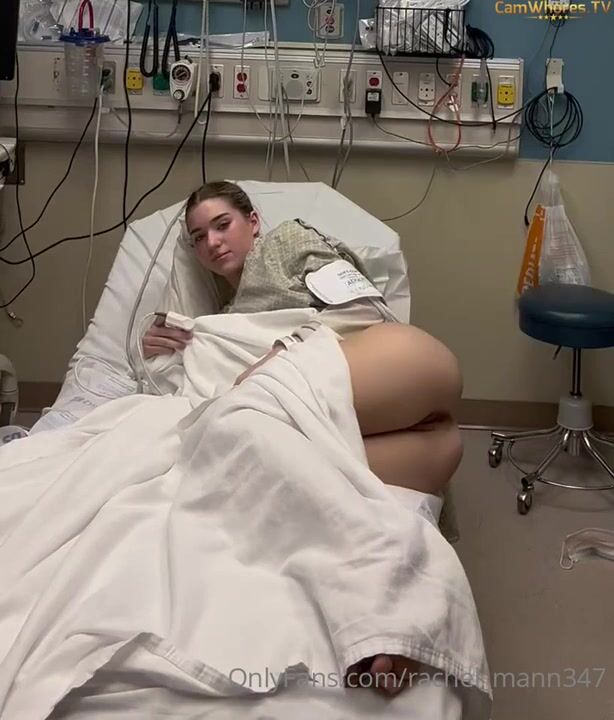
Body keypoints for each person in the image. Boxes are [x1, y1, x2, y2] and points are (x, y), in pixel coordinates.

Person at [143, 182, 463, 694]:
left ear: (253, 221)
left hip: (368, 365)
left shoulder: (286, 243)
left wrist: (279, 357)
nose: (212, 243)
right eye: (198, 237)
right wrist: (161, 349)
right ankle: (387, 622)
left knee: (234, 426)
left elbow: (363, 307)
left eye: (222, 225)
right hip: (378, 425)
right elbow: (199, 377)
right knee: (360, 481)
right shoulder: (222, 318)